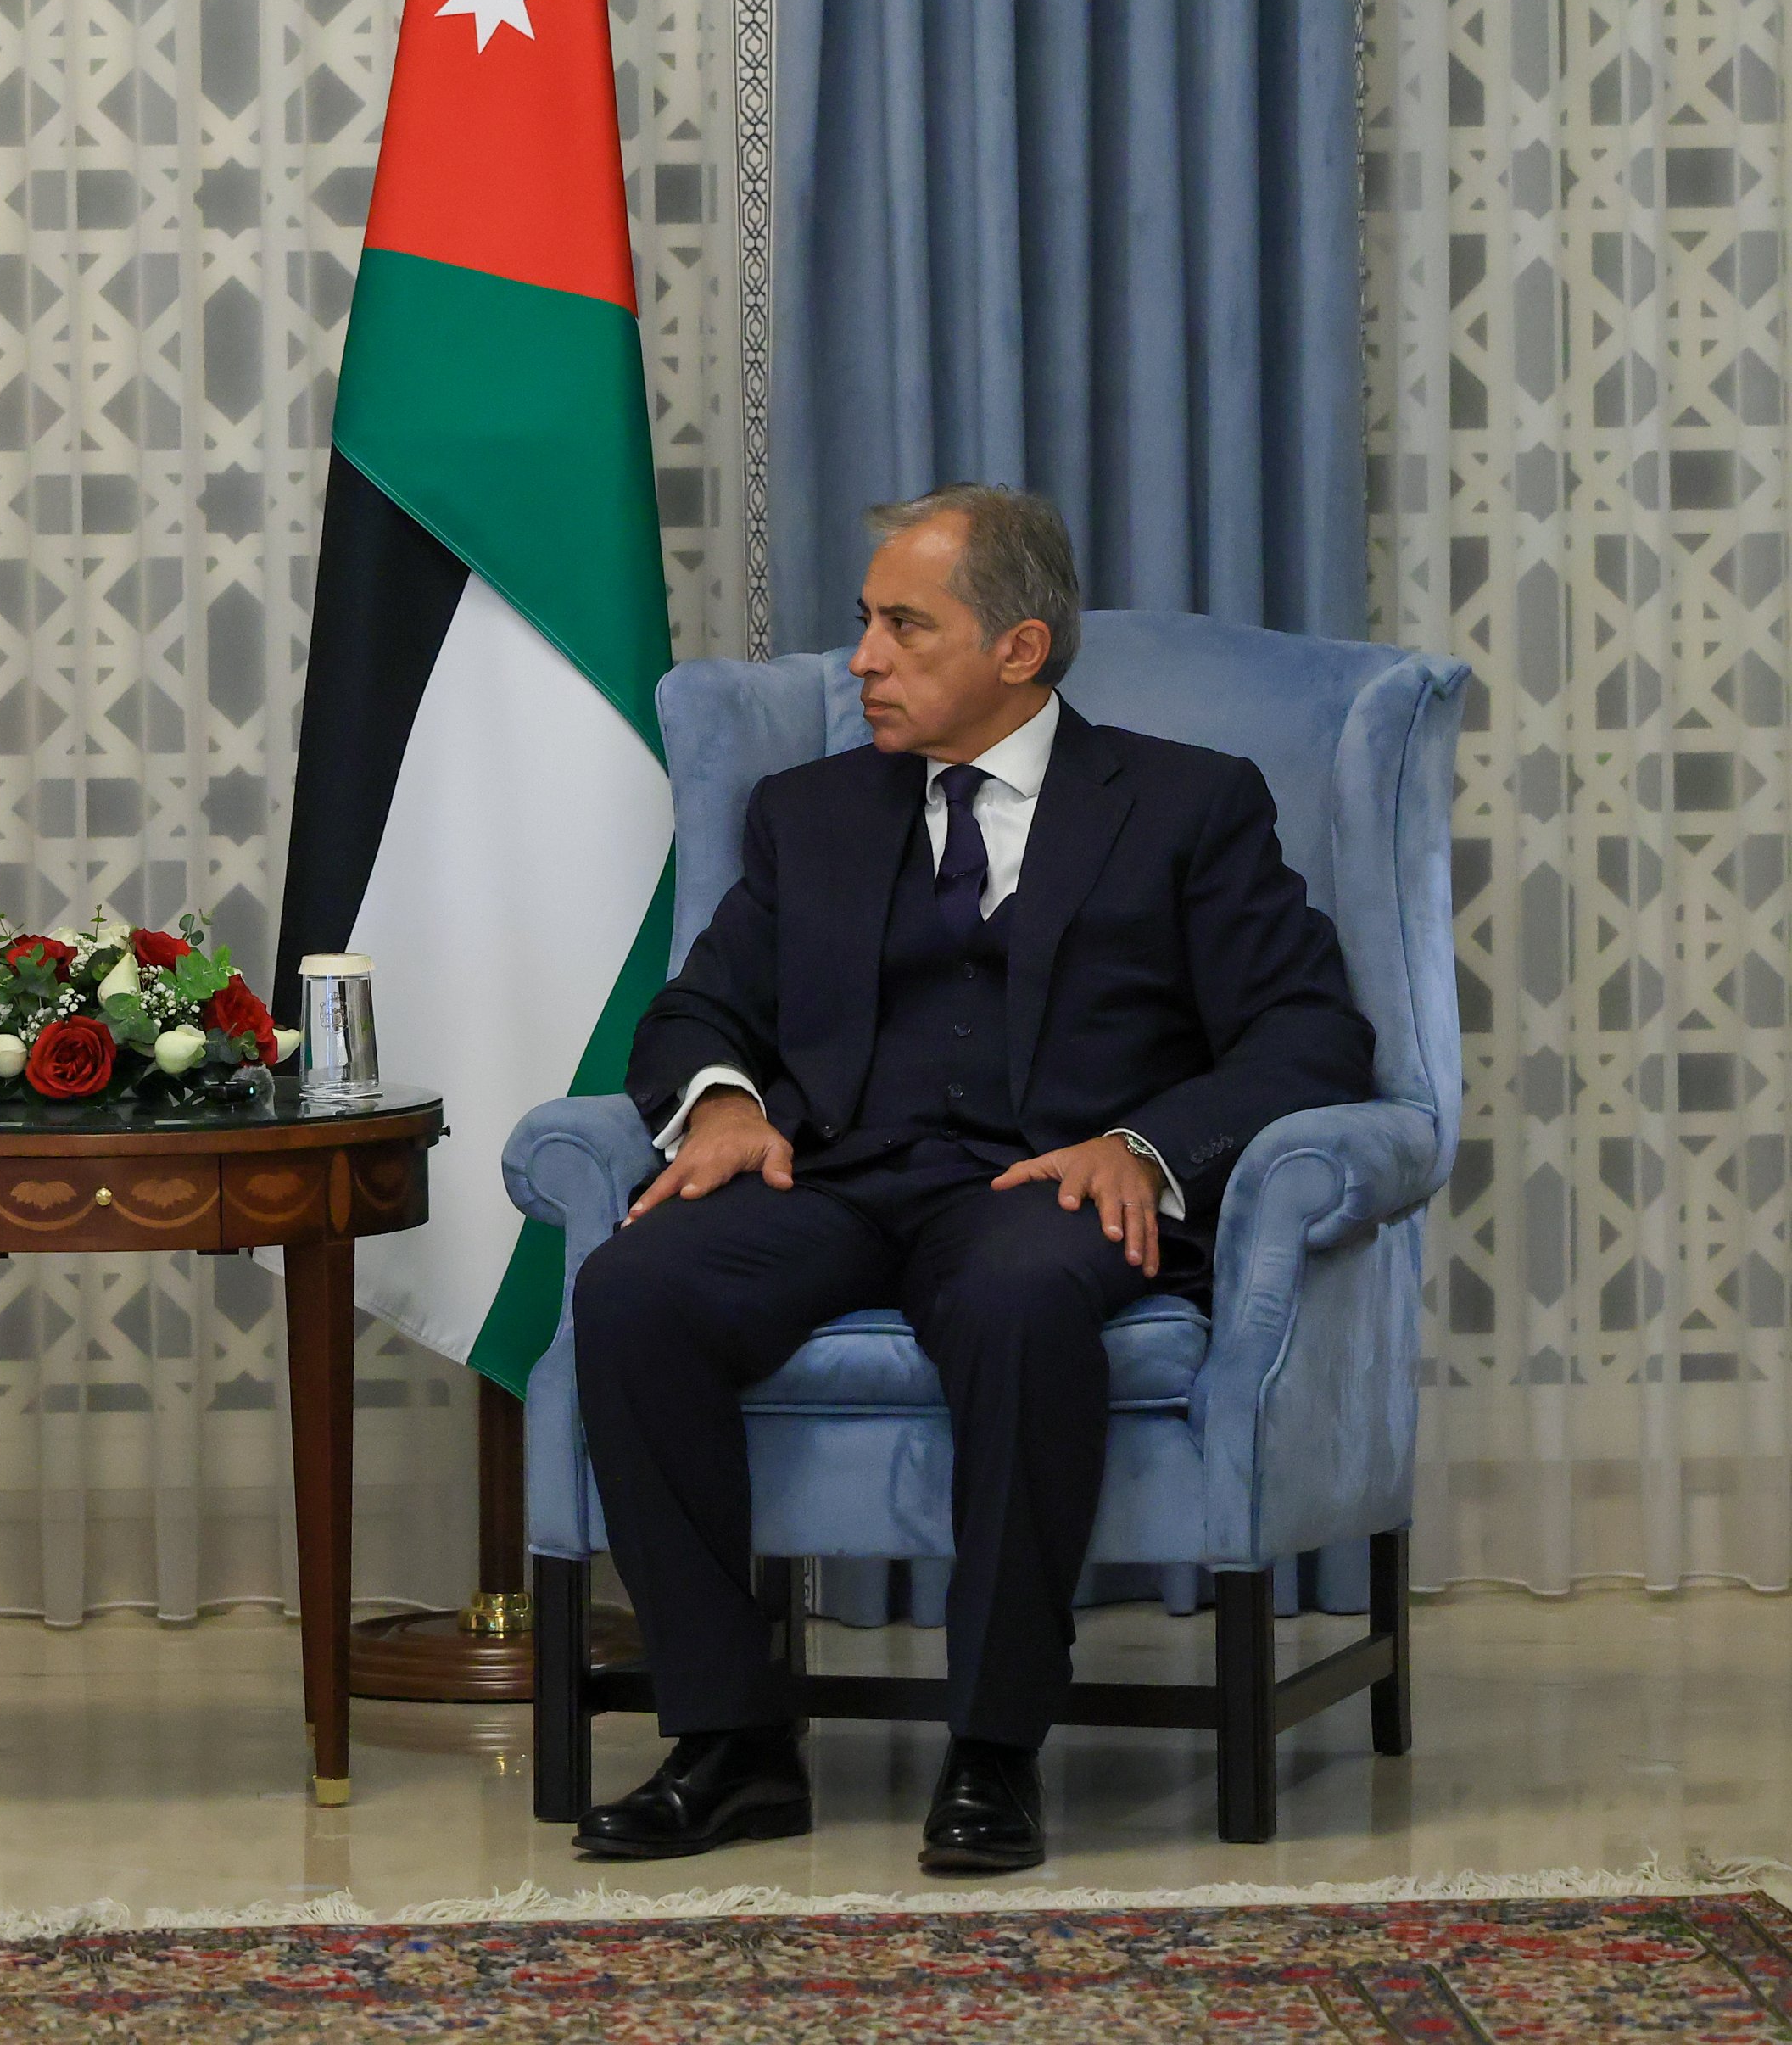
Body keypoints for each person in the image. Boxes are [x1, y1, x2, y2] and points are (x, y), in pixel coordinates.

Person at [568, 485, 1375, 1874]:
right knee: (633, 1289)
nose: (863, 660)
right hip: (832, 1179)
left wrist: (1144, 1148)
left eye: (904, 627)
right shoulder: (806, 813)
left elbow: (1311, 1034)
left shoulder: (1188, 805)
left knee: (1017, 1302)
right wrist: (724, 1102)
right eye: (865, 624)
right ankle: (731, 1741)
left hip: (1040, 1191)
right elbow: (700, 1007)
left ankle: (995, 1748)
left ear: (1020, 648)